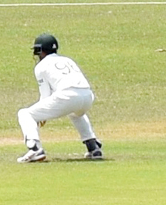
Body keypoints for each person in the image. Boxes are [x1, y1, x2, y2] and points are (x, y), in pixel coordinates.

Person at [16, 33, 103, 163]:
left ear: (40, 50)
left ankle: (35, 149)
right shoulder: (68, 60)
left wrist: (42, 116)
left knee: (25, 114)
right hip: (87, 96)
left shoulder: (41, 66)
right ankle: (93, 147)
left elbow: (45, 95)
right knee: (76, 113)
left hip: (68, 95)